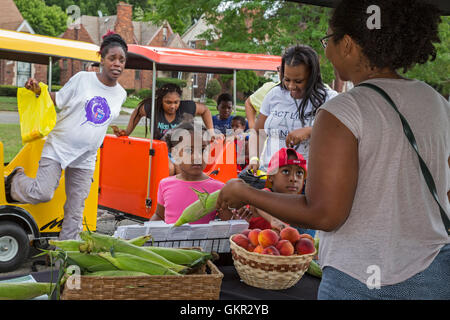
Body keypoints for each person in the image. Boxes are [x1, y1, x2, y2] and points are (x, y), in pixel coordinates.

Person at [216, 0, 450, 300]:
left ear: (348, 44)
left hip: (360, 279)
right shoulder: (437, 104)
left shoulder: (343, 110)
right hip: (436, 274)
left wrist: (246, 192)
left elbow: (325, 214)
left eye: (329, 40)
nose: (326, 50)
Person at [5, 32, 128, 240]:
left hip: (86, 157)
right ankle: (15, 179)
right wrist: (38, 90)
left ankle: (66, 249)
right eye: (112, 58)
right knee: (42, 193)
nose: (117, 64)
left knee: (76, 207)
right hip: (59, 146)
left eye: (122, 60)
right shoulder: (83, 79)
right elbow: (58, 99)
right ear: (102, 59)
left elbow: (101, 120)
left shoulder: (121, 94)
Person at [249, 44, 338, 173]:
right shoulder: (274, 94)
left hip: (307, 179)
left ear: (312, 76)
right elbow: (258, 133)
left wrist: (311, 131)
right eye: (287, 79)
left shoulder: (328, 98)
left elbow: (340, 135)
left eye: (298, 81)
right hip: (270, 175)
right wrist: (254, 158)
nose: (291, 86)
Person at [152, 120, 231, 224]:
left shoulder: (218, 188)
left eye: (202, 150)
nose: (197, 156)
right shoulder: (165, 184)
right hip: (171, 240)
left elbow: (226, 220)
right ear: (175, 154)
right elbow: (159, 215)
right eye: (189, 151)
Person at [113, 83, 215, 140]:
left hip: (180, 152)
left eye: (176, 102)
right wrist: (127, 132)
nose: (173, 106)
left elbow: (205, 110)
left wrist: (211, 132)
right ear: (161, 101)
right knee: (169, 168)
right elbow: (138, 111)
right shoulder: (153, 108)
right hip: (159, 151)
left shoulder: (186, 107)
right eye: (168, 102)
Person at [246, 148, 307, 232]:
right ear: (271, 177)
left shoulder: (294, 203)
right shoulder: (266, 194)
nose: (294, 178)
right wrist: (274, 220)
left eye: (299, 173)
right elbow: (258, 203)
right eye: (286, 171)